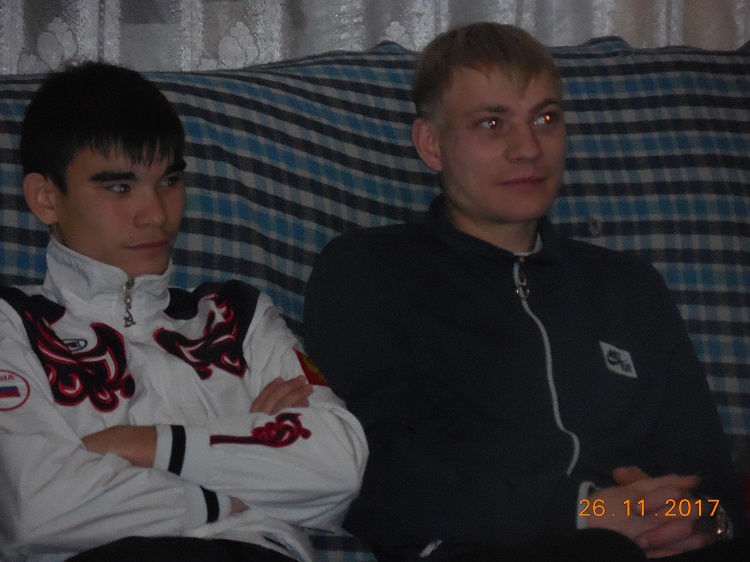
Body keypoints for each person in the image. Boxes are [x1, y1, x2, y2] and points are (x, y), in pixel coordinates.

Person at [303, 22, 747, 561]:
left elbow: (711, 484)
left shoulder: (630, 288)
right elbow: (369, 474)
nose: (529, 148)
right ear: (431, 144)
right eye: (492, 123)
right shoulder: (369, 272)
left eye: (546, 118)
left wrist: (695, 520)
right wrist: (585, 510)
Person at [0, 61, 367, 562]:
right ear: (45, 198)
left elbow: (339, 464)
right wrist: (238, 482)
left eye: (169, 180)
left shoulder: (237, 314)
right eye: (119, 187)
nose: (157, 214)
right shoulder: (13, 325)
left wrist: (139, 444)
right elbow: (35, 509)